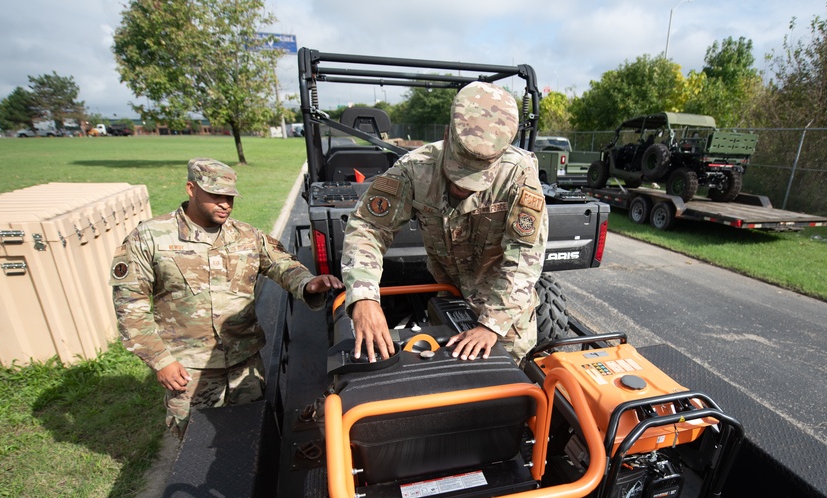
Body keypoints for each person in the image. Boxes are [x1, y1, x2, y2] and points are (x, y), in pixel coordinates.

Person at [110, 158, 343, 437]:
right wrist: (161, 361)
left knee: (251, 435)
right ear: (191, 189)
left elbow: (281, 264)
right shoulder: (150, 237)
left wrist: (308, 283)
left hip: (244, 363)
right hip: (189, 370)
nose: (225, 204)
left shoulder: (246, 235)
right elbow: (130, 305)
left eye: (230, 197)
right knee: (195, 444)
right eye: (216, 195)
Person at [341, 81, 548, 363]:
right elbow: (368, 227)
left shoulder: (518, 176)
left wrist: (491, 325)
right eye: (457, 171)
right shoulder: (415, 169)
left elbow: (524, 258)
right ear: (447, 134)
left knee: (507, 387)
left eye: (476, 179)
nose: (463, 187)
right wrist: (364, 296)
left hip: (504, 313)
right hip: (450, 298)